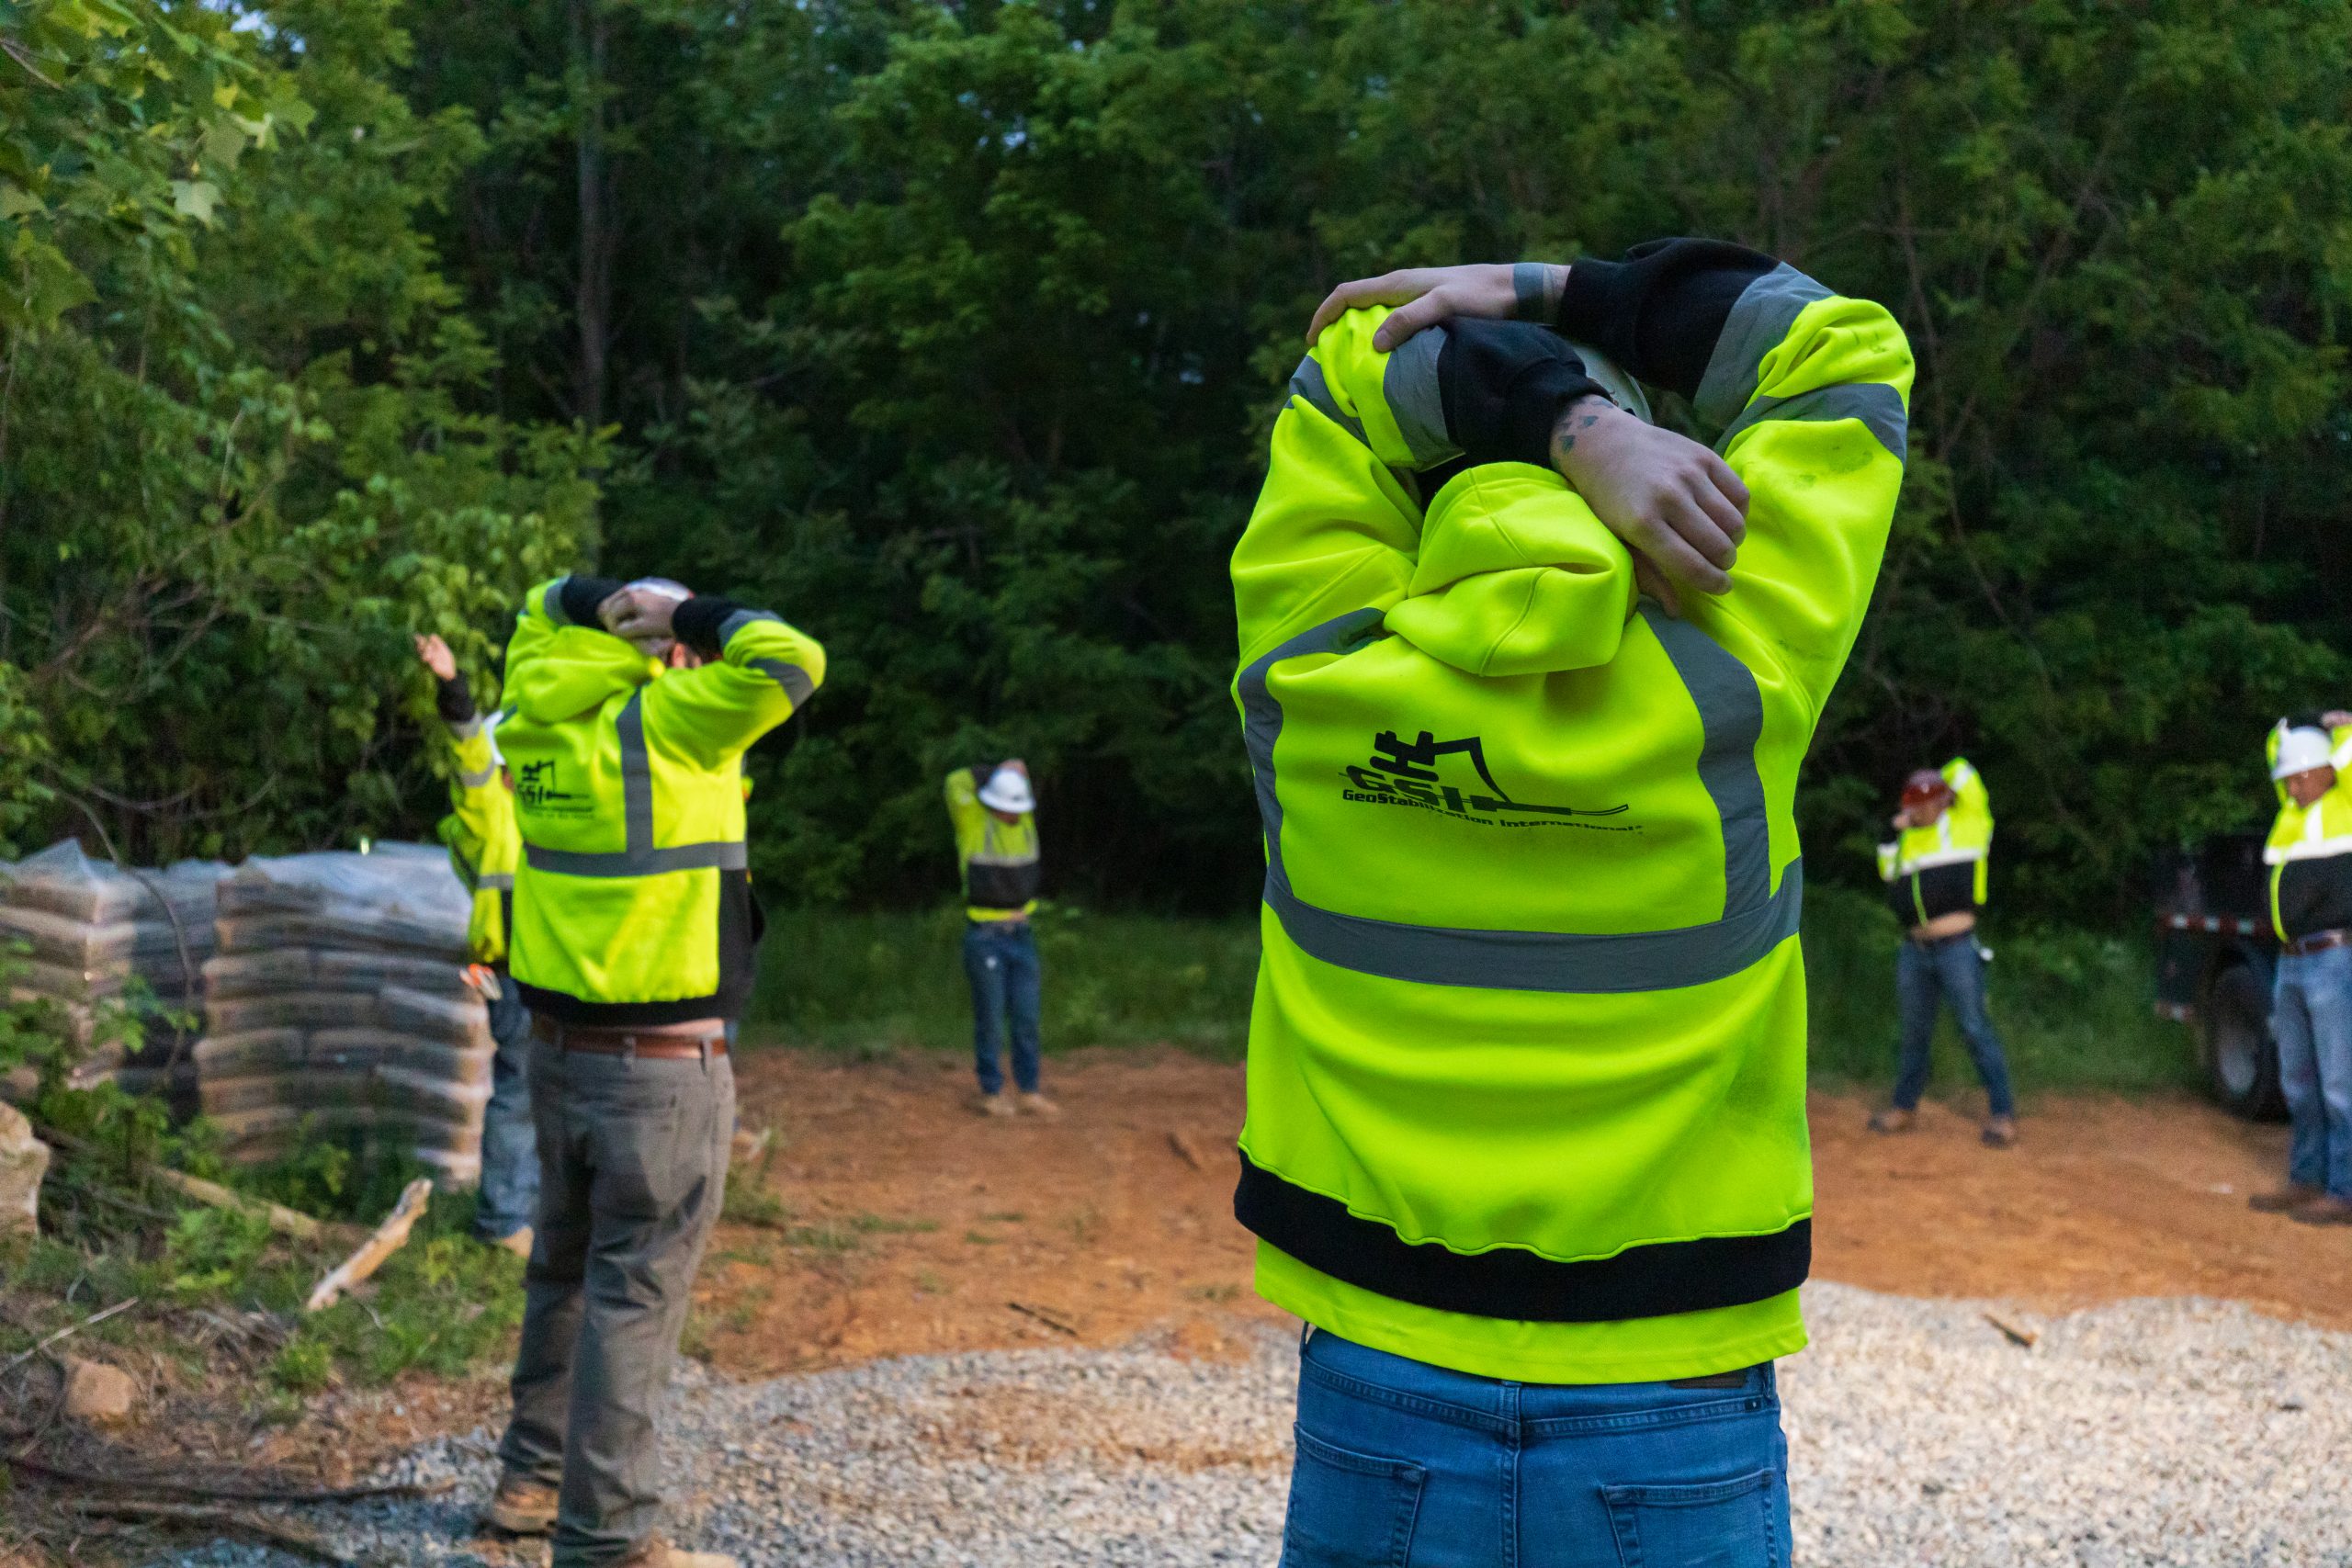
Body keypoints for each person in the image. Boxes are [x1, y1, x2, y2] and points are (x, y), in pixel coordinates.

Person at [1236, 240, 1909, 1563]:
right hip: (1674, 1387)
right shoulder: (1737, 668)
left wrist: (1554, 417)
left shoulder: (1309, 685)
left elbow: (1342, 373)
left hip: (1383, 1364)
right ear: (1667, 486)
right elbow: (1841, 347)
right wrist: (1550, 293)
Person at [477, 574, 823, 1568]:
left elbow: (538, 604)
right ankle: (608, 1541)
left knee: (563, 1274)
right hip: (664, 1071)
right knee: (633, 1294)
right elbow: (797, 658)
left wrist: (603, 601)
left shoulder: (531, 717)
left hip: (555, 1055)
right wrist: (687, 614)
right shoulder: (674, 721)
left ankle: (528, 1488)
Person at [415, 633, 538, 1253]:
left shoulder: (543, 807)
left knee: (542, 1088)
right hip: (510, 965)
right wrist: (453, 687)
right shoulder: (492, 810)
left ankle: (531, 1209)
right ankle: (505, 1220)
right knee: (520, 1089)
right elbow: (469, 748)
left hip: (535, 963)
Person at [1869, 758, 2018, 1147]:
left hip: (1957, 949)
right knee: (1915, 1033)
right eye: (1913, 802)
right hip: (1914, 950)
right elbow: (1886, 871)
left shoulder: (1968, 828)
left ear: (1943, 801)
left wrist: (1940, 782)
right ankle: (1904, 1107)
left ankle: (2003, 1115)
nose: (1920, 809)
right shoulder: (1906, 840)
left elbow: (1968, 773)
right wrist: (1891, 829)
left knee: (1973, 1027)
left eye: (1929, 801)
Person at [2250, 710, 2352, 1226]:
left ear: (2331, 769)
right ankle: (2306, 1177)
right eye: (2289, 775)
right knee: (2299, 1080)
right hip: (2290, 963)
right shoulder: (2289, 812)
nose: (2295, 781)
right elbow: (2276, 745)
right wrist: (2299, 723)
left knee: (2340, 1083)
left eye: (2306, 772)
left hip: (2335, 958)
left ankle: (2345, 1190)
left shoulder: (2348, 802)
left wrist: (2338, 725)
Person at [943, 760, 1056, 1118]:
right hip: (985, 936)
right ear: (992, 803)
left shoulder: (1025, 822)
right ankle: (992, 1091)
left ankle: (1029, 1091)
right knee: (990, 1018)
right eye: (1006, 808)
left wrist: (1017, 775)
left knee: (1026, 1018)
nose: (1012, 815)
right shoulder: (972, 821)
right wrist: (996, 770)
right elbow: (954, 782)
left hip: (1023, 934)